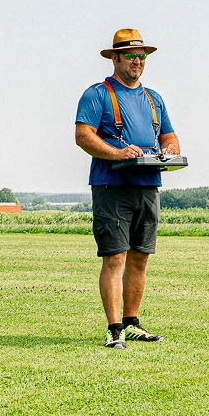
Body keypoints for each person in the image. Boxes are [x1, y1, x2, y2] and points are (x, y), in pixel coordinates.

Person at [74, 28, 181, 348]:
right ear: (115, 58)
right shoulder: (97, 94)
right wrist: (118, 153)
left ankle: (133, 323)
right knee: (115, 257)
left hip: (148, 185)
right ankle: (114, 328)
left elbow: (169, 136)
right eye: (131, 56)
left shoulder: (153, 98)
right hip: (112, 185)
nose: (138, 62)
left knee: (140, 257)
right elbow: (83, 136)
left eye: (142, 57)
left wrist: (171, 149)